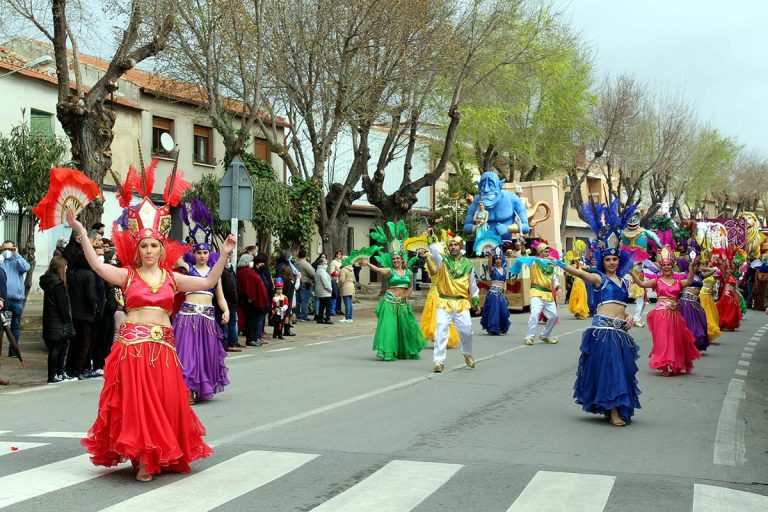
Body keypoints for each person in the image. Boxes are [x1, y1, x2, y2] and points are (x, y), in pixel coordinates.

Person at [66, 160, 236, 482]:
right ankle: (144, 458)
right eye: (143, 245)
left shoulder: (174, 278)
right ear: (137, 248)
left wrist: (224, 254)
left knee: (163, 404)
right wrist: (81, 235)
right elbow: (98, 267)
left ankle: (158, 452)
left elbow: (207, 282)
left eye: (153, 245)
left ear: (162, 248)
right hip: (131, 348)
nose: (148, 250)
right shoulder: (127, 276)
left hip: (164, 349)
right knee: (137, 407)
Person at [561, 250, 640, 426]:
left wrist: (628, 316)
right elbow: (580, 273)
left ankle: (613, 406)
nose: (611, 262)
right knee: (612, 371)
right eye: (607, 259)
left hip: (620, 333)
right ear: (602, 262)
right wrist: (559, 264)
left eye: (615, 259)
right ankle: (613, 412)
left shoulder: (624, 282)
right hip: (604, 332)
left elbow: (619, 307)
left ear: (620, 261)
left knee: (622, 371)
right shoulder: (599, 279)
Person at [173, 211, 230, 403]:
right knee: (187, 355)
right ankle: (187, 389)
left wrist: (226, 310)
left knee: (204, 356)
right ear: (194, 253)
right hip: (187, 317)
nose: (202, 256)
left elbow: (220, 297)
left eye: (205, 252)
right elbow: (173, 256)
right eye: (198, 252)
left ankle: (200, 388)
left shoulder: (215, 274)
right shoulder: (188, 270)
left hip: (207, 319)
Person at [631, 245, 701, 376]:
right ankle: (664, 366)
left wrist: (691, 269)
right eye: (664, 265)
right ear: (661, 267)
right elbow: (641, 284)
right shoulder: (656, 281)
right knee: (663, 340)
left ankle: (674, 364)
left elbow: (690, 281)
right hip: (660, 315)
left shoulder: (678, 281)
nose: (666, 267)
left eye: (669, 264)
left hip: (675, 315)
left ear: (672, 265)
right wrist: (632, 273)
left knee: (675, 340)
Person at [424, 230, 480, 372]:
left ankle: (468, 354)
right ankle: (438, 361)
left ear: (460, 247)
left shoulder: (468, 264)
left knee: (467, 331)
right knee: (441, 329)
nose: (453, 247)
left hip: (461, 303)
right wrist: (430, 237)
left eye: (456, 245)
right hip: (444, 302)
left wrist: (476, 301)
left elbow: (472, 285)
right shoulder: (443, 260)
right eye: (451, 245)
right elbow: (433, 252)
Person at [363, 252, 427, 360]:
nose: (395, 260)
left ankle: (404, 350)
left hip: (402, 301)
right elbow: (378, 270)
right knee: (390, 327)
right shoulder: (390, 271)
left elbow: (411, 287)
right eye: (393, 259)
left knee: (407, 327)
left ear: (402, 260)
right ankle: (389, 352)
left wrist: (406, 296)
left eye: (397, 258)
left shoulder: (409, 272)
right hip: (390, 301)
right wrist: (367, 263)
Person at [40, 256, 76, 383]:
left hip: (52, 319)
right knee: (57, 348)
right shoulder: (58, 284)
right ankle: (54, 374)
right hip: (58, 321)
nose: (66, 268)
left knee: (59, 348)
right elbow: (63, 305)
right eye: (65, 266)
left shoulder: (50, 282)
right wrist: (67, 319)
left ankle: (59, 373)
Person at [523, 241, 560, 345]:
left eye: (548, 251)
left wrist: (558, 286)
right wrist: (522, 247)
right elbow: (524, 256)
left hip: (548, 294)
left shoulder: (551, 265)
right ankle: (529, 337)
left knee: (553, 316)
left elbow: (554, 279)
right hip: (536, 292)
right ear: (539, 253)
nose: (548, 253)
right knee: (535, 313)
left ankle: (545, 335)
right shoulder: (534, 262)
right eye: (545, 252)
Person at [1, 240, 30, 358]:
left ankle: (13, 351)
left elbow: (26, 267)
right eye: (5, 249)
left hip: (17, 299)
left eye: (10, 249)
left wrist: (16, 255)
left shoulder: (17, 261)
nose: (7, 251)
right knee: (3, 325)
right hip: (4, 300)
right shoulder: (1, 261)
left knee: (15, 325)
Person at [237, 254, 269, 347]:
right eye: (251, 261)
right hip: (249, 301)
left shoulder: (246, 271)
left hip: (251, 301)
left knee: (253, 321)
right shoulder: (245, 272)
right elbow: (248, 287)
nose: (253, 263)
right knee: (251, 321)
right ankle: (251, 339)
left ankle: (253, 338)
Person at [480, 249, 510, 335]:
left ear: (502, 260)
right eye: (496, 259)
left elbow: (504, 281)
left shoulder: (504, 270)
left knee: (504, 312)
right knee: (495, 312)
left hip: (501, 294)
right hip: (493, 294)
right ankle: (495, 329)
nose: (498, 260)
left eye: (499, 259)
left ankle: (501, 327)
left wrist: (505, 288)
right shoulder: (492, 270)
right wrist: (490, 257)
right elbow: (489, 266)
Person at [220, 253, 242, 352]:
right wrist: (234, 299)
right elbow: (230, 288)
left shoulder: (230, 271)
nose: (228, 261)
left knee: (232, 322)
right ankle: (230, 342)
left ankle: (232, 341)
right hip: (228, 302)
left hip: (231, 302)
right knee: (230, 323)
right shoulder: (224, 273)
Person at [294, 249, 315, 321]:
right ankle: (304, 316)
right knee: (305, 300)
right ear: (305, 256)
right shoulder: (305, 264)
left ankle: (298, 315)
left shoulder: (296, 263)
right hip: (305, 282)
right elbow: (312, 273)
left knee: (298, 300)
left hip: (297, 282)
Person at [700, 275, 721, 342]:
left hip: (709, 296)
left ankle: (708, 333)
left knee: (712, 315)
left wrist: (714, 290)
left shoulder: (711, 272)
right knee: (706, 314)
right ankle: (706, 332)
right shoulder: (702, 270)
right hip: (703, 295)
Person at [314, 258, 333, 324]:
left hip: (319, 291)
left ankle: (320, 318)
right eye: (325, 261)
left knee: (322, 305)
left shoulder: (318, 270)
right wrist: (330, 289)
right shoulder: (322, 272)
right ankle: (327, 318)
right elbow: (326, 283)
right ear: (322, 263)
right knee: (328, 304)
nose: (327, 262)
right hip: (325, 292)